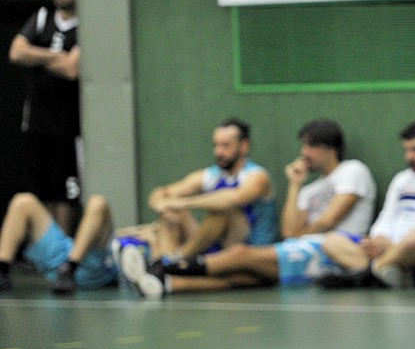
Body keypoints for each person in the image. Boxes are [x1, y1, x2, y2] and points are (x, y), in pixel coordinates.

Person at [120, 119, 376, 298]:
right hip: (301, 246)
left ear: (329, 148)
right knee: (241, 275)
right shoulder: (309, 190)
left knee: (239, 253)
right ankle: (165, 282)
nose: (303, 153)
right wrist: (295, 185)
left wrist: (182, 201)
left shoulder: (352, 170)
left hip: (331, 246)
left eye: (310, 146)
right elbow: (290, 232)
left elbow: (327, 221)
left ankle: (164, 265)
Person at [321, 119, 415, 289]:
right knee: (331, 240)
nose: (409, 156)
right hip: (390, 248)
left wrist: (393, 246)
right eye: (406, 150)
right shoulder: (402, 179)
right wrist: (378, 239)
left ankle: (367, 273)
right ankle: (386, 271)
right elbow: (387, 215)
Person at [117, 118, 278, 269]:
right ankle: (161, 260)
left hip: (251, 252)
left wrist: (183, 202)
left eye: (225, 146)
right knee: (173, 212)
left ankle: (174, 260)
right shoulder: (212, 175)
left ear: (244, 146)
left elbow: (234, 198)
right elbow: (160, 193)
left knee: (223, 210)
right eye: (216, 145)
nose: (218, 152)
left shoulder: (258, 177)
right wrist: (162, 204)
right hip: (218, 247)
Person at [8, 0, 83, 233]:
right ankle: (44, 245)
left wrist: (36, 57)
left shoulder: (86, 24)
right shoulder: (41, 17)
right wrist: (55, 56)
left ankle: (63, 249)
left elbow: (72, 69)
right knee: (39, 191)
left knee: (65, 193)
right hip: (36, 121)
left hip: (69, 125)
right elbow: (16, 52)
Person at [0, 193, 118, 295]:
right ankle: (2, 271)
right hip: (60, 262)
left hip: (91, 267)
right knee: (23, 201)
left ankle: (69, 269)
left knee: (98, 202)